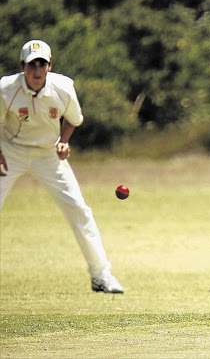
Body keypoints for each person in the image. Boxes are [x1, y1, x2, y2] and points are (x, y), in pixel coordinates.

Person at [0, 40, 124, 294]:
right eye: (31, 64)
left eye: (41, 64)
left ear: (49, 66)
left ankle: (101, 276)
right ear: (22, 66)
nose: (37, 70)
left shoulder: (63, 87)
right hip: (11, 153)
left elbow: (73, 119)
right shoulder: (5, 89)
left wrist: (63, 143)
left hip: (48, 156)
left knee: (79, 210)